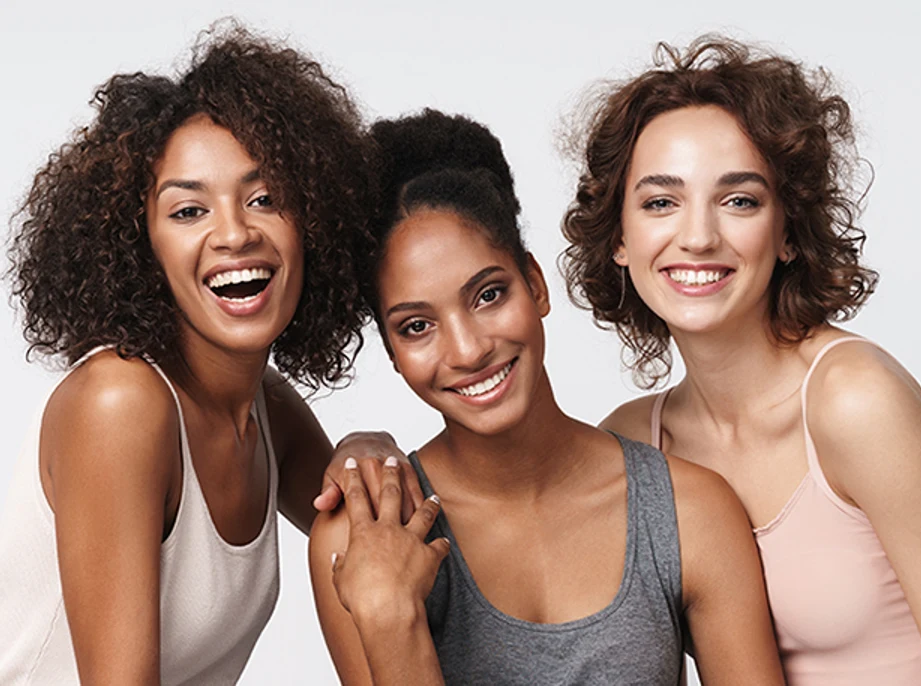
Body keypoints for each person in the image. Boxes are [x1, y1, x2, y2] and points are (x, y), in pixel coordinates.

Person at [309, 109, 786, 685]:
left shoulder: (691, 513)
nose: (466, 350)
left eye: (487, 295)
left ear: (535, 284)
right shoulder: (361, 538)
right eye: (416, 326)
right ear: (390, 351)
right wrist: (390, 620)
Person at [0, 23, 412, 685]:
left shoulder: (262, 407)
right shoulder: (121, 403)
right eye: (189, 211)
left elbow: (357, 522)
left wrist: (368, 442)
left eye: (265, 198)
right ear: (141, 244)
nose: (234, 233)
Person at [561, 35, 921, 684]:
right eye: (661, 202)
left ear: (787, 232)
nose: (697, 236)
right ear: (620, 241)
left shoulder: (855, 401)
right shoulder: (635, 446)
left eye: (738, 200)